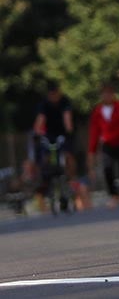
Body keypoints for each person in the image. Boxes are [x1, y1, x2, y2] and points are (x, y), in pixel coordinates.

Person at [88, 83, 119, 208]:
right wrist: (92, 149)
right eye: (105, 93)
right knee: (107, 168)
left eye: (109, 93)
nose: (107, 96)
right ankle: (114, 195)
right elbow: (94, 131)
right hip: (107, 144)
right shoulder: (98, 111)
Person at [32, 81, 75, 212]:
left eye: (55, 93)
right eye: (51, 94)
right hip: (49, 134)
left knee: (67, 156)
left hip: (62, 133)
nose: (54, 96)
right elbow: (40, 119)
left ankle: (70, 179)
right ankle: (43, 178)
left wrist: (69, 130)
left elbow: (67, 117)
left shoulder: (65, 101)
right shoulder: (44, 104)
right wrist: (37, 133)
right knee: (43, 155)